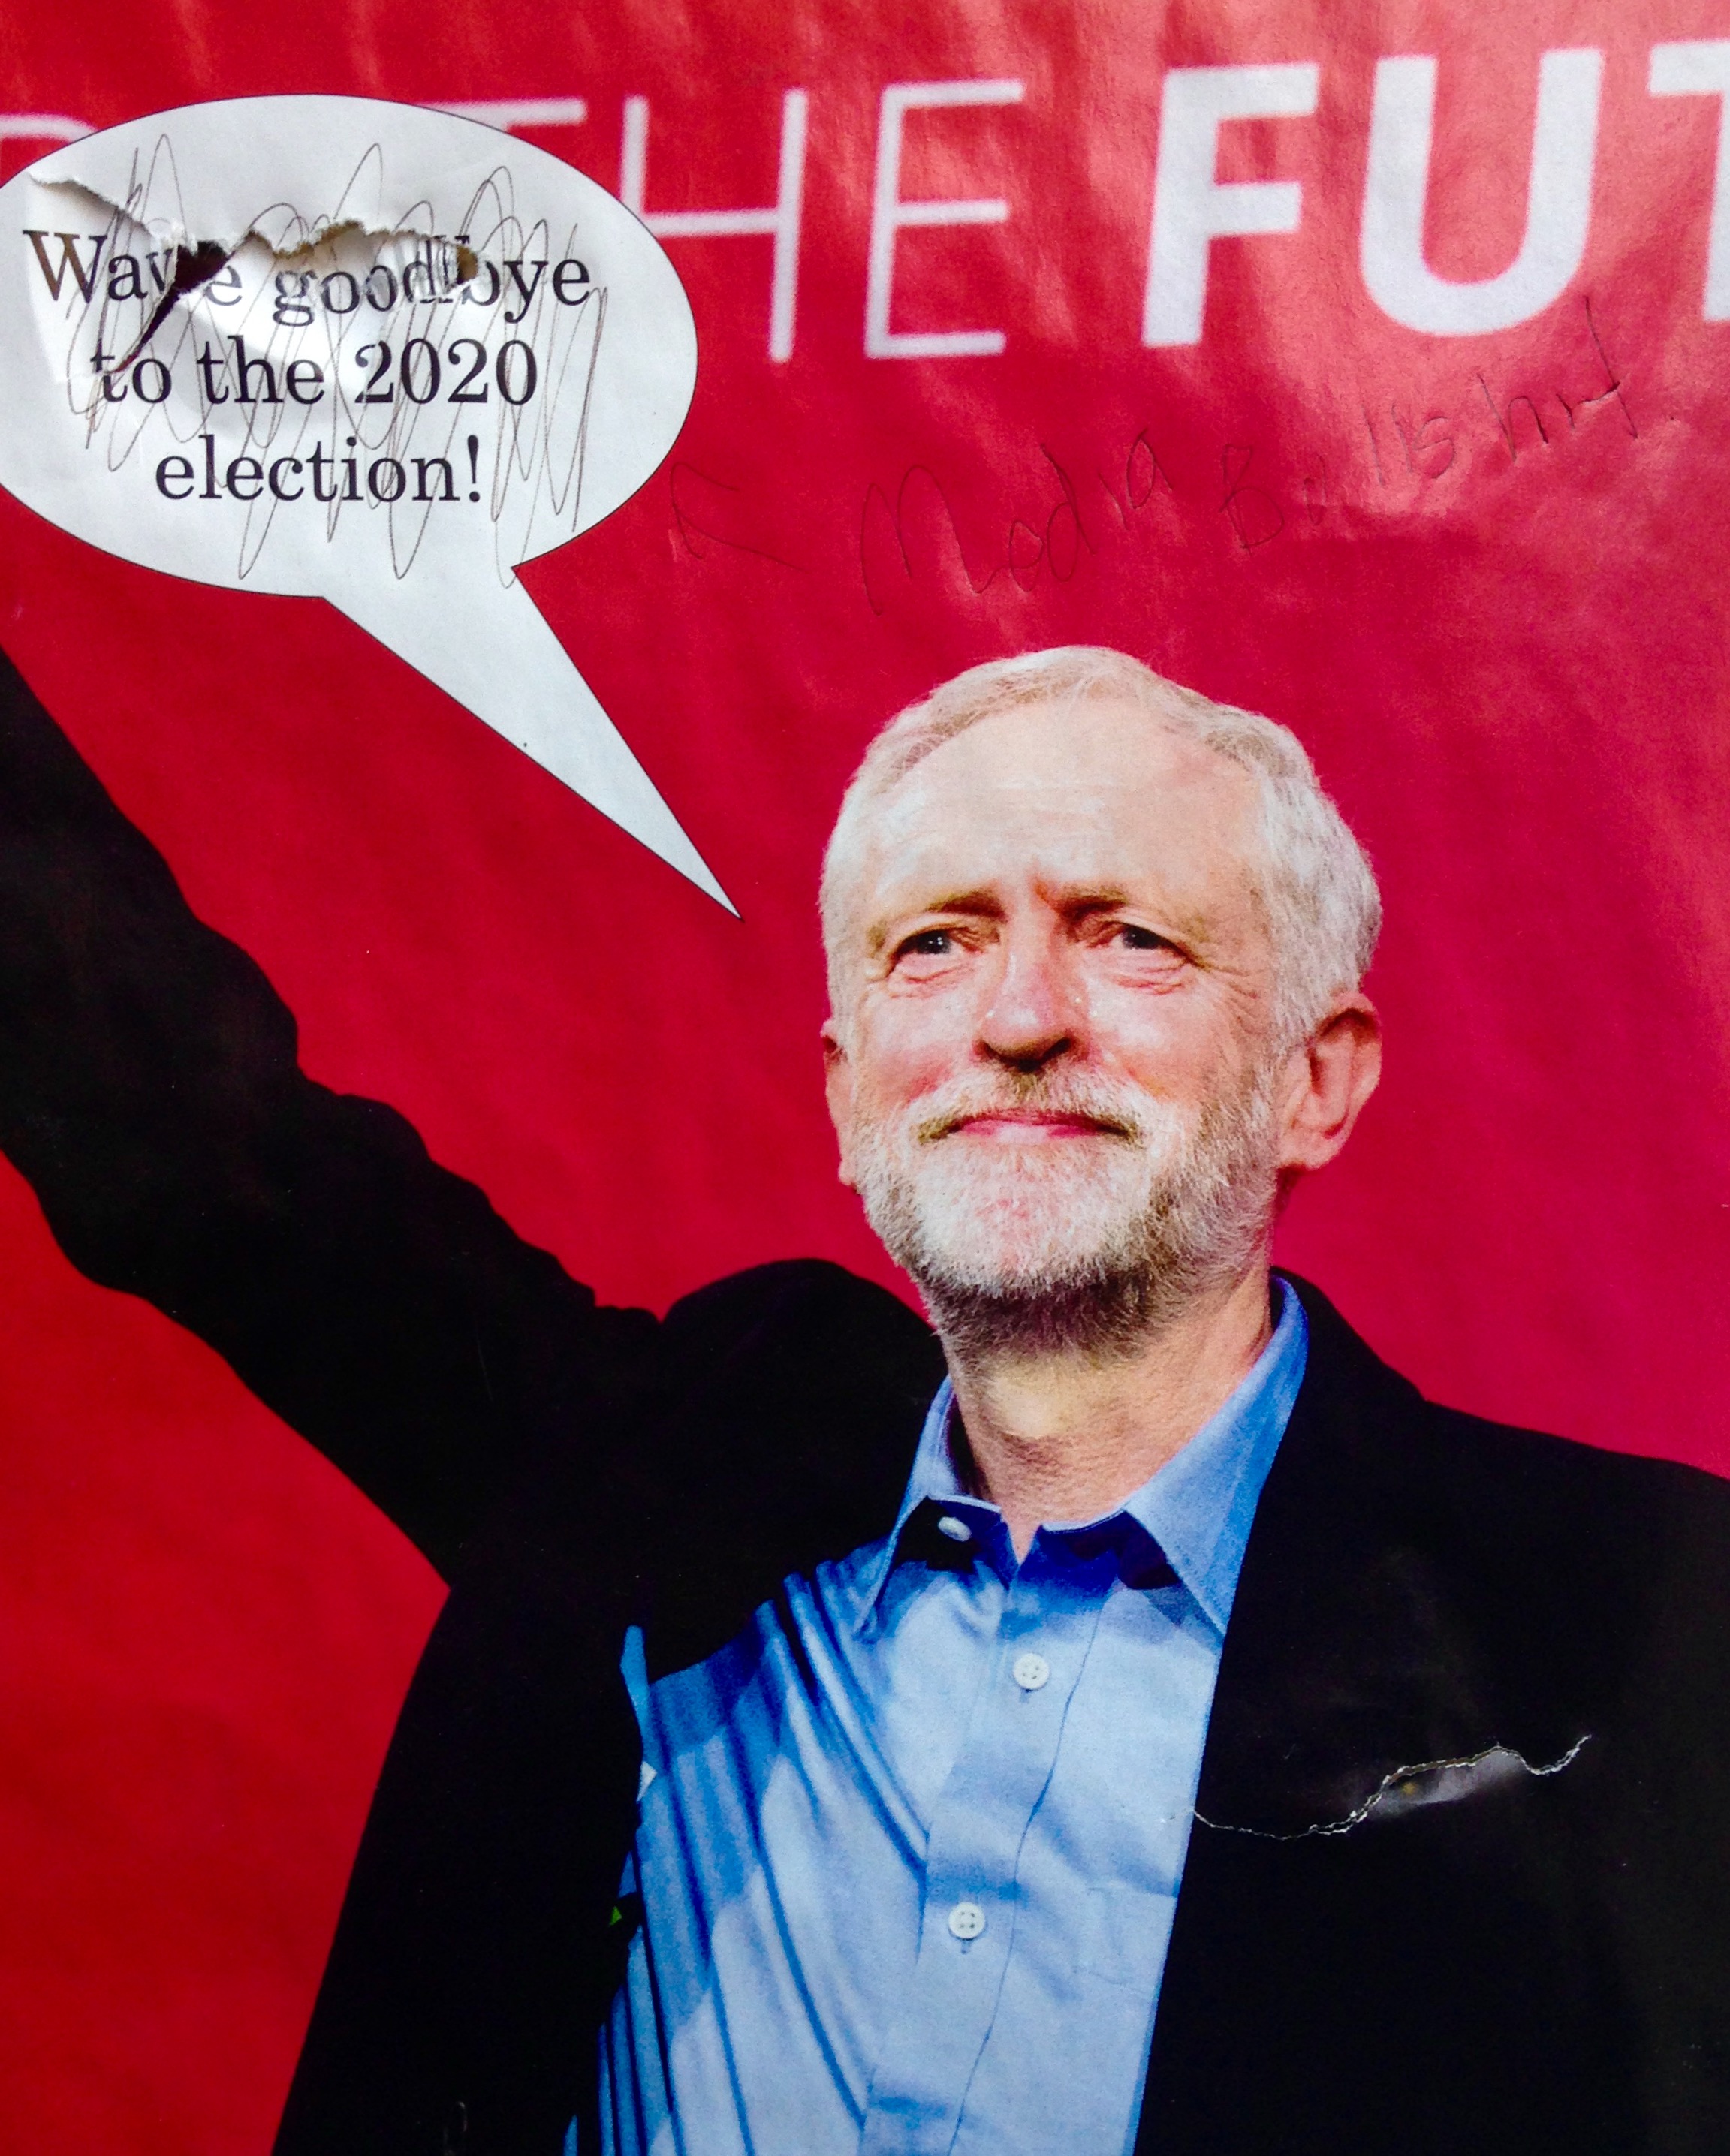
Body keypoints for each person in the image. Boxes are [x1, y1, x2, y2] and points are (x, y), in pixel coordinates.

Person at [1, 641, 1728, 2156]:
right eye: (935, 944)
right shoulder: (680, 1458)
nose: (1020, 1016)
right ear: (845, 1097)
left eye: (1129, 936)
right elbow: (200, 1152)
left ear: (1316, 1080)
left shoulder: (1634, 1630)